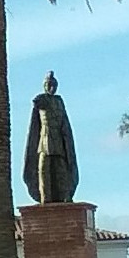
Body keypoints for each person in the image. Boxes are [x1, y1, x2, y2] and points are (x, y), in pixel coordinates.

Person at [23, 71, 79, 204]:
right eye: (49, 84)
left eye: (53, 85)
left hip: (59, 142)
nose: (52, 87)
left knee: (61, 169)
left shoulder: (59, 101)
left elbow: (64, 123)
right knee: (43, 170)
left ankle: (65, 194)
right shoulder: (41, 99)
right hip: (44, 142)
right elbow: (36, 105)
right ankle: (45, 197)